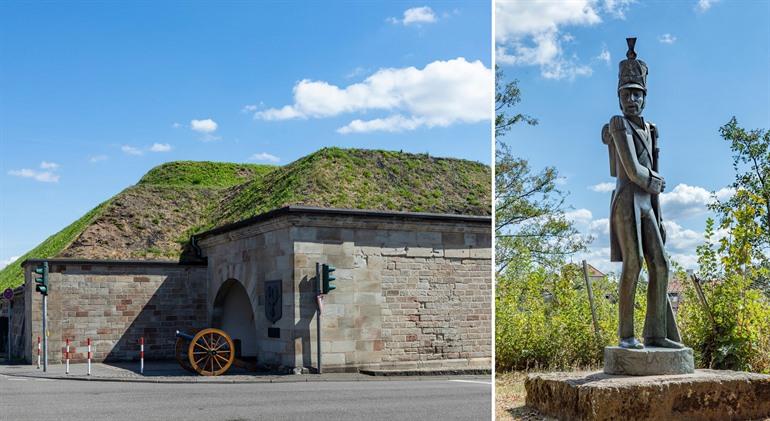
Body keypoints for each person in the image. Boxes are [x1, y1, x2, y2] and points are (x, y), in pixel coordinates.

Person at [602, 38, 684, 349]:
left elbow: (655, 175)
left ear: (645, 98)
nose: (631, 99)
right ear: (619, 97)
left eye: (637, 93)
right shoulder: (617, 125)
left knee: (660, 263)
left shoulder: (652, 129)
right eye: (626, 94)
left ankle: (657, 333)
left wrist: (659, 215)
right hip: (626, 201)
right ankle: (626, 335)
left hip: (648, 204)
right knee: (633, 262)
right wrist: (654, 182)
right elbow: (634, 170)